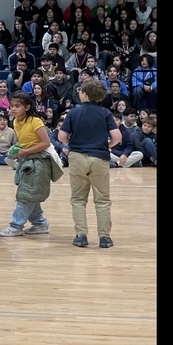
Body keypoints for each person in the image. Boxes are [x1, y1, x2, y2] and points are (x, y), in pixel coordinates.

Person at [57, 78, 122, 247]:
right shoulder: (106, 113)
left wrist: (72, 145)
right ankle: (104, 238)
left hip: (77, 156)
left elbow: (61, 137)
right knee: (102, 200)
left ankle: (81, 235)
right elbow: (117, 137)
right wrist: (105, 146)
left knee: (78, 199)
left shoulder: (73, 112)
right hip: (99, 157)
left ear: (84, 94)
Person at [0, 90, 59, 237]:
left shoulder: (35, 121)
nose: (13, 109)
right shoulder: (15, 122)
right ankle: (40, 223)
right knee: (32, 193)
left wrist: (24, 152)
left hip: (40, 161)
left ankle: (16, 226)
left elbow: (46, 143)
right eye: (11, 105)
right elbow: (25, 141)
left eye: (17, 106)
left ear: (26, 107)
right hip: (27, 160)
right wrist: (17, 149)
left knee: (25, 195)